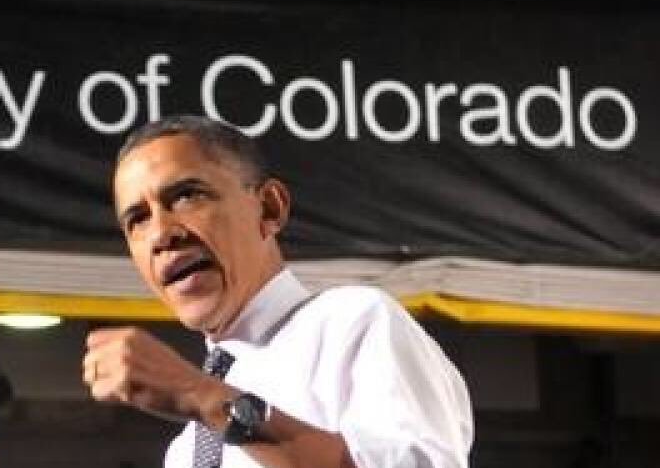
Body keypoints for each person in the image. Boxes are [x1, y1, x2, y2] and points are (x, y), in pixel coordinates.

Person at [80, 115, 473, 468]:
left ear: (269, 208)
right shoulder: (186, 452)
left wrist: (199, 395)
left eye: (186, 196)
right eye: (138, 219)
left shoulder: (353, 323)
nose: (162, 234)